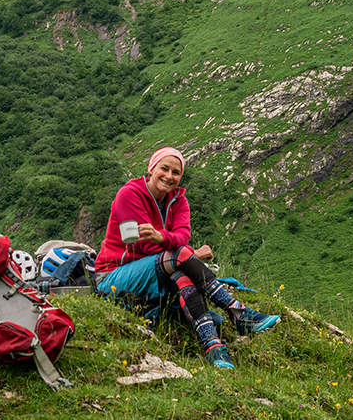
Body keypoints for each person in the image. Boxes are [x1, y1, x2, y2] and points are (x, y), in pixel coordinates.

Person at [94, 146, 280, 369]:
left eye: (176, 172)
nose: (169, 176)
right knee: (179, 257)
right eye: (164, 168)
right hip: (115, 276)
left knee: (181, 272)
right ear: (151, 168)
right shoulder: (129, 194)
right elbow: (141, 245)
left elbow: (182, 235)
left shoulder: (179, 201)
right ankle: (238, 312)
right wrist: (192, 252)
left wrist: (163, 239)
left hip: (158, 269)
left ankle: (213, 348)